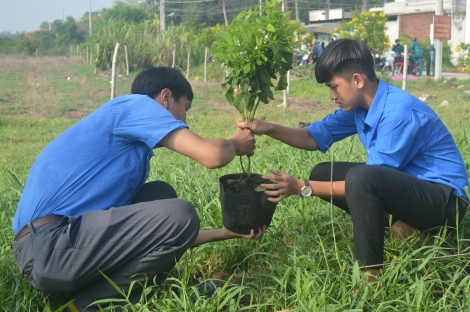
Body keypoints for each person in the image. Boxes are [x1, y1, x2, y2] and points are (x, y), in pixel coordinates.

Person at [11, 66, 265, 311]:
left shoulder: (123, 139)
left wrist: (225, 232)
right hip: (49, 247)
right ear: (166, 97)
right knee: (180, 212)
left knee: (159, 195)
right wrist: (235, 143)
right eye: (185, 108)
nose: (185, 119)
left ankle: (100, 294)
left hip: (55, 250)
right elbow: (213, 156)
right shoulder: (137, 105)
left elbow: (151, 237)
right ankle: (86, 308)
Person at [237, 39, 469, 281]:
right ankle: (403, 226)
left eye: (334, 86)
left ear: (357, 80)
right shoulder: (361, 106)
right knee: (322, 173)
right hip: (409, 189)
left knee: (359, 178)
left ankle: (370, 275)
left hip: (445, 203)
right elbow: (312, 137)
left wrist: (302, 187)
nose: (331, 95)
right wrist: (266, 127)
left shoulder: (398, 112)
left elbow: (369, 180)